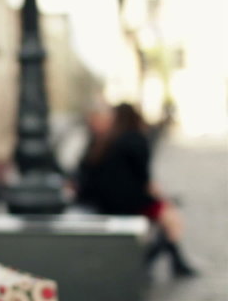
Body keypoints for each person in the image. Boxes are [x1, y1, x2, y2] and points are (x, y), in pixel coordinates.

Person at [76, 103, 197, 277]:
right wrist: (162, 198)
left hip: (104, 200)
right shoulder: (135, 140)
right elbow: (145, 180)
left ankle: (170, 262)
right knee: (171, 218)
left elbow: (87, 174)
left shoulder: (105, 141)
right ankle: (153, 260)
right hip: (126, 202)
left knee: (166, 216)